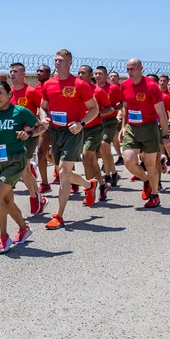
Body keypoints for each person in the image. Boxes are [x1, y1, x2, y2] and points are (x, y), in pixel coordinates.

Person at [0, 80, 47, 253]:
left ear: (10, 95)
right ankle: (24, 228)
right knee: (7, 201)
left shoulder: (19, 111)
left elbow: (41, 127)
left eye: (0, 93)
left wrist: (29, 133)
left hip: (15, 160)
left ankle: (3, 236)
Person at [40, 50, 99, 229]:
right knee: (63, 170)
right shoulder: (48, 84)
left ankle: (59, 215)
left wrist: (81, 123)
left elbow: (94, 109)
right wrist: (43, 117)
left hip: (72, 131)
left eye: (61, 60)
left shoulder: (80, 84)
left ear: (70, 63)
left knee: (63, 172)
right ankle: (89, 185)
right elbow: (43, 107)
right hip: (55, 131)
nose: (57, 63)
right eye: (55, 60)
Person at [120, 57, 169, 206]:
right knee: (128, 160)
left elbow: (161, 113)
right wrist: (123, 126)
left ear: (141, 69)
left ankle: (155, 196)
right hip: (131, 128)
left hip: (149, 128)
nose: (130, 72)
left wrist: (165, 136)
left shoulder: (151, 86)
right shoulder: (125, 85)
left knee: (150, 165)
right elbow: (125, 107)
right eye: (128, 69)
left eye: (133, 69)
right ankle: (146, 181)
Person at [9, 61, 48, 215]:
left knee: (22, 168)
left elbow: (42, 108)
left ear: (23, 74)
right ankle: (37, 196)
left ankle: (36, 197)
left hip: (29, 134)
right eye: (11, 71)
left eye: (16, 71)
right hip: (13, 136)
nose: (12, 74)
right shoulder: (8, 93)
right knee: (22, 170)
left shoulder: (31, 91)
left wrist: (43, 121)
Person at [77, 65, 112, 203]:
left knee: (86, 157)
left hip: (95, 129)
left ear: (90, 74)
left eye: (83, 73)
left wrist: (95, 114)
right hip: (80, 129)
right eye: (78, 72)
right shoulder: (75, 90)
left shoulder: (98, 91)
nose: (80, 75)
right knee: (91, 161)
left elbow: (109, 109)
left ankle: (88, 190)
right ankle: (102, 185)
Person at [94, 65, 123, 187]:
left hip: (110, 121)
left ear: (106, 75)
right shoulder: (92, 89)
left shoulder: (113, 88)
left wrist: (115, 109)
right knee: (104, 151)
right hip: (97, 121)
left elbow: (123, 101)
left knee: (104, 145)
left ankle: (106, 175)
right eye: (96, 74)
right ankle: (114, 173)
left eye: (100, 73)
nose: (97, 76)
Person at [34, 63, 53, 193]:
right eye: (38, 71)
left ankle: (71, 177)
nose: (38, 73)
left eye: (42, 71)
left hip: (57, 124)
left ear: (48, 74)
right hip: (44, 124)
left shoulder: (53, 85)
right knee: (41, 152)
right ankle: (45, 183)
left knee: (56, 154)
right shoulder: (36, 88)